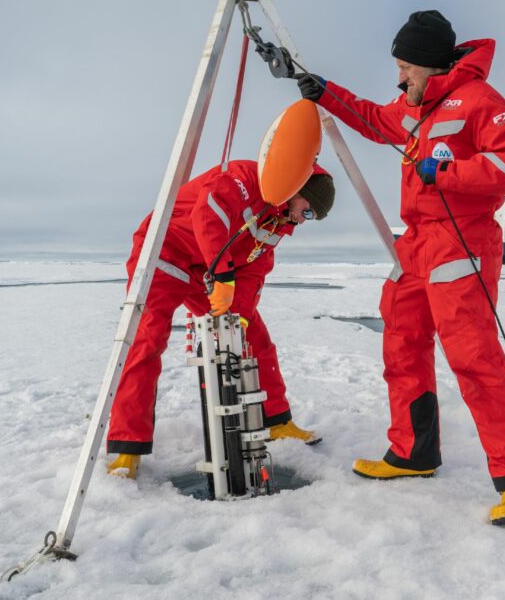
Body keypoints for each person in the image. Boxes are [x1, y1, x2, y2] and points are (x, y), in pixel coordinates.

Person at [295, 11, 505, 524]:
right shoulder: (414, 107)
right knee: (401, 342)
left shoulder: (479, 101)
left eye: (406, 67)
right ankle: (413, 453)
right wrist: (323, 91)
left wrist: (447, 171)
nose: (399, 77)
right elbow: (370, 118)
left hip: (462, 242)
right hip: (416, 243)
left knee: (475, 359)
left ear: (430, 64)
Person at [105, 159, 336, 478]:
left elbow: (255, 270)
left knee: (255, 337)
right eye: (307, 211)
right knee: (146, 343)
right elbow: (208, 214)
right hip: (163, 257)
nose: (303, 220)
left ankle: (277, 421)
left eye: (310, 218)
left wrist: (238, 318)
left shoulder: (278, 223)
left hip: (207, 273)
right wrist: (224, 275)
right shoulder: (245, 178)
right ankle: (127, 450)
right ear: (298, 190)